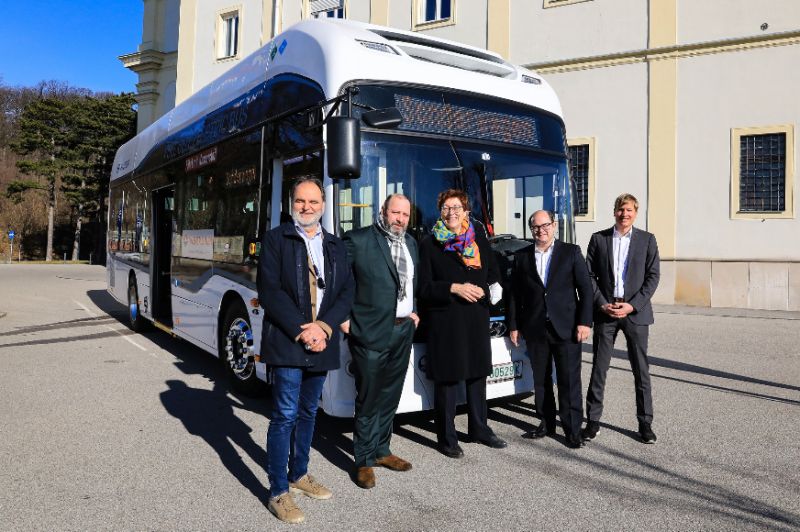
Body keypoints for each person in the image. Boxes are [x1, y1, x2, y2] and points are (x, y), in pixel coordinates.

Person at [257, 177, 354, 524]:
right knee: (284, 415)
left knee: (309, 412)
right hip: (288, 341)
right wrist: (305, 331)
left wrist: (324, 327)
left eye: (313, 202)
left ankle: (299, 474)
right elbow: (269, 291)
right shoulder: (275, 239)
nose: (307, 207)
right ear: (291, 203)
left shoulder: (336, 246)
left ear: (324, 206)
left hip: (323, 341)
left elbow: (346, 292)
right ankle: (278, 491)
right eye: (301, 201)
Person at [418, 189, 507, 459]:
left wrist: (493, 287)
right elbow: (424, 288)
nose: (451, 212)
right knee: (447, 379)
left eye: (457, 207)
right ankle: (446, 437)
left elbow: (491, 271)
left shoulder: (478, 238)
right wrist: (455, 287)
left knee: (478, 374)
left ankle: (479, 428)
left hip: (476, 317)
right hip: (446, 320)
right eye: (446, 208)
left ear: (466, 211)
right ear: (440, 211)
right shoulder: (429, 243)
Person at [341, 194, 419, 489]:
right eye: (395, 212)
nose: (400, 219)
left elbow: (413, 283)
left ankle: (381, 450)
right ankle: (363, 460)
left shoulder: (410, 243)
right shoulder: (358, 240)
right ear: (383, 211)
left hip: (402, 330)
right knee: (369, 395)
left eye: (405, 215)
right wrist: (343, 319)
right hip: (369, 330)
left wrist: (415, 312)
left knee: (390, 394)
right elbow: (339, 281)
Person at [507, 210, 593, 449]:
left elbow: (585, 290)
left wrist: (585, 322)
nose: (540, 230)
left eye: (545, 225)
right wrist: (513, 324)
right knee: (541, 380)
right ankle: (546, 423)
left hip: (566, 327)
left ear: (554, 225)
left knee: (569, 380)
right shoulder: (522, 256)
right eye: (535, 227)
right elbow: (514, 294)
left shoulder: (571, 252)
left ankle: (573, 429)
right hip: (535, 328)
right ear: (531, 229)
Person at [581, 193, 660, 444]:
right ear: (614, 211)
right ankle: (593, 422)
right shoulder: (599, 239)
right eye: (620, 210)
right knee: (599, 369)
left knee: (641, 371)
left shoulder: (647, 240)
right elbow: (588, 276)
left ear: (635, 213)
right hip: (607, 313)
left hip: (635, 314)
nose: (624, 214)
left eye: (629, 210)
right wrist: (603, 304)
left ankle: (645, 423)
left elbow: (653, 277)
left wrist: (632, 306)